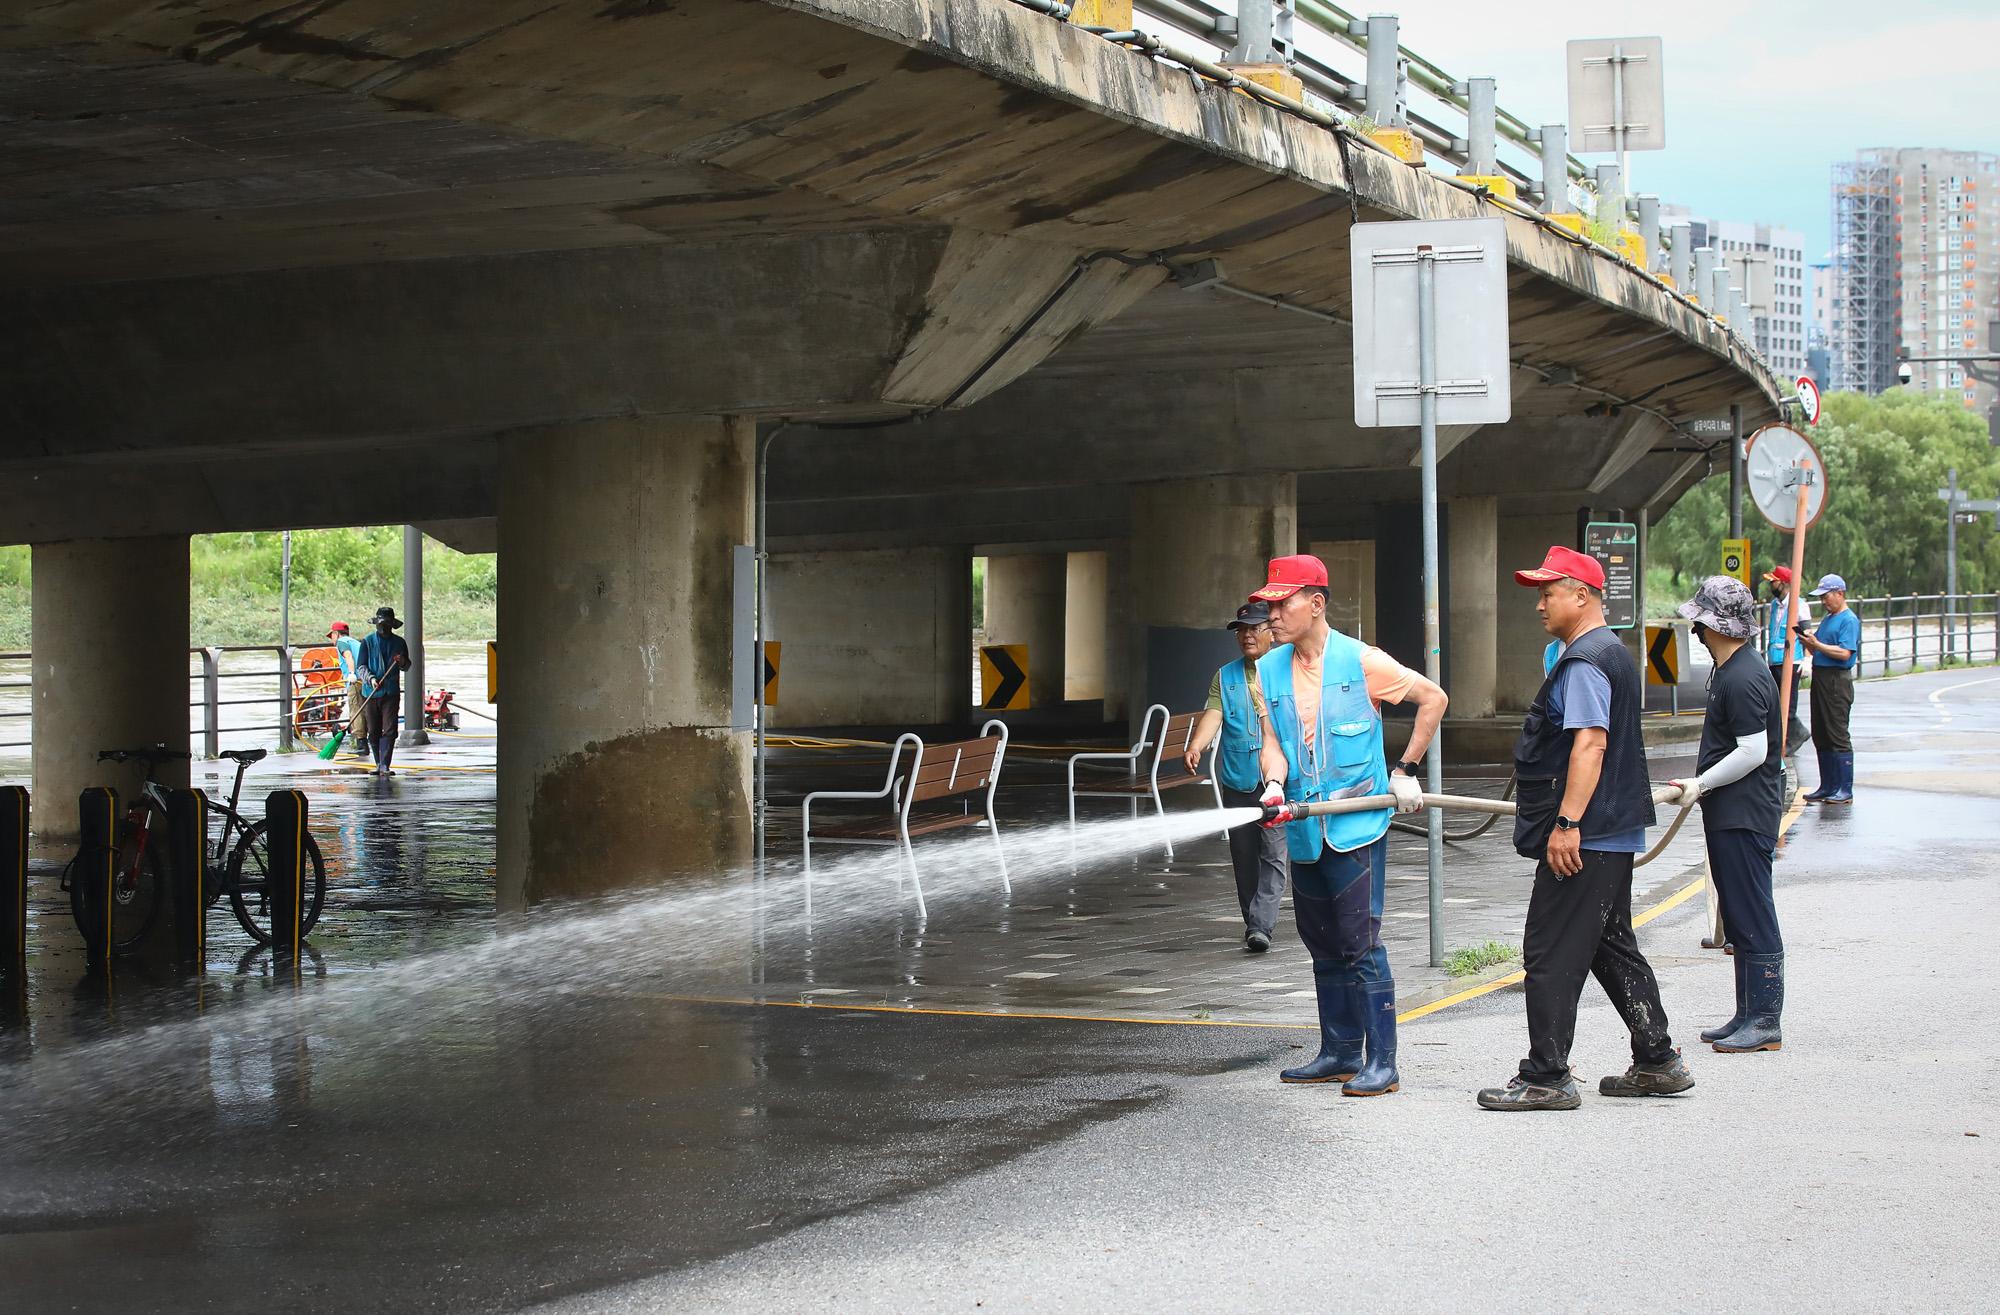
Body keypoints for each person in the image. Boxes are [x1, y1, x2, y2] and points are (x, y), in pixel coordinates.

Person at [1478, 545, 1690, 1110]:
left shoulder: (1584, 661)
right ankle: (1657, 1060)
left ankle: (1547, 1076)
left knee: (1548, 949)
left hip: (1588, 833)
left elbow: (1590, 743)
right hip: (1612, 830)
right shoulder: (1609, 652)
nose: (1540, 603)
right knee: (1609, 944)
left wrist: (1567, 823)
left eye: (1549, 592)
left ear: (1583, 594)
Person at [1250, 555, 1447, 1096]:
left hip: (1356, 826)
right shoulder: (1268, 669)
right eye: (1268, 604)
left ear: (1315, 603)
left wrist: (1404, 770)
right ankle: (1339, 1051)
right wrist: (1272, 782)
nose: (1271, 614)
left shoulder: (1363, 662)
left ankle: (1383, 1063)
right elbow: (1275, 745)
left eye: (1281, 602)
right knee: (1320, 939)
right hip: (1304, 826)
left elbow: (1435, 698)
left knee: (1360, 941)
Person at [1667, 577, 1787, 1054]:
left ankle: (1764, 1018)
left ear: (1711, 624)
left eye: (1699, 620)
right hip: (1730, 812)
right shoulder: (1731, 670)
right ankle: (1747, 1012)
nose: (1694, 628)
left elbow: (1753, 751)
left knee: (1752, 910)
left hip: (1745, 812)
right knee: (1737, 912)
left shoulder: (1742, 677)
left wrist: (1701, 783)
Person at [1183, 601, 1288, 953]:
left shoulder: (1285, 668)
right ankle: (1253, 922)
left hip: (1276, 781)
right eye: (1242, 630)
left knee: (1273, 854)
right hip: (1238, 779)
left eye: (1254, 628)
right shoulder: (1224, 675)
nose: (1247, 636)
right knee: (1243, 855)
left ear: (1270, 632)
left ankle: (1261, 925)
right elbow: (1214, 714)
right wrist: (1196, 745)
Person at [1798, 574, 1858, 804]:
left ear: (1839, 594)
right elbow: (1818, 651)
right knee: (1821, 732)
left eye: (1826, 596)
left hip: (1836, 679)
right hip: (1821, 677)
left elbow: (1845, 653)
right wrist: (1809, 642)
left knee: (1837, 733)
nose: (1823, 601)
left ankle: (1844, 788)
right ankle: (1828, 785)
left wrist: (1818, 644)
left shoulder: (1848, 620)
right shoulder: (1828, 618)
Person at [1761, 566, 1811, 756]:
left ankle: (1793, 738)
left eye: (1772, 581)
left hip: (1792, 660)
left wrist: (1807, 659)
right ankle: (1791, 737)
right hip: (1775, 660)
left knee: (1788, 705)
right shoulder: (1775, 604)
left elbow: (1806, 633)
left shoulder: (1799, 604)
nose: (1770, 585)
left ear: (1783, 583)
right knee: (1774, 703)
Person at [357, 606, 410, 777]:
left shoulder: (399, 643)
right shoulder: (367, 642)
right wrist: (371, 679)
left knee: (390, 729)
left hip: (391, 693)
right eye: (381, 624)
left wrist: (402, 661)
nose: (384, 628)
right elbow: (361, 667)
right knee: (373, 730)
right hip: (371, 692)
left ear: (392, 625)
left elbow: (407, 666)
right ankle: (378, 763)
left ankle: (385, 764)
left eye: (387, 624)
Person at [328, 621, 370, 759]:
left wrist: (352, 673)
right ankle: (366, 741)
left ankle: (361, 744)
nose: (332, 640)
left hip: (355, 682)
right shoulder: (356, 642)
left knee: (356, 711)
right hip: (365, 680)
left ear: (336, 634)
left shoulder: (342, 642)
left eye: (332, 636)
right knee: (364, 710)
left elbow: (348, 656)